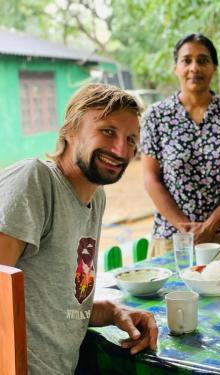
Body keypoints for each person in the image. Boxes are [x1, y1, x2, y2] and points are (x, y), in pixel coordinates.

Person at [0, 84, 158, 374]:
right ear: (70, 131)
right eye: (108, 131)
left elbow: (62, 306)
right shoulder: (35, 182)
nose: (121, 149)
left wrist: (113, 312)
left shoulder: (96, 197)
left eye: (131, 139)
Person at [141, 33, 220, 258]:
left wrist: (210, 225)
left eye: (203, 60)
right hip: (173, 238)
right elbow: (151, 178)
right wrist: (185, 228)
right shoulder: (156, 115)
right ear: (176, 68)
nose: (195, 67)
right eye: (187, 60)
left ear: (214, 67)